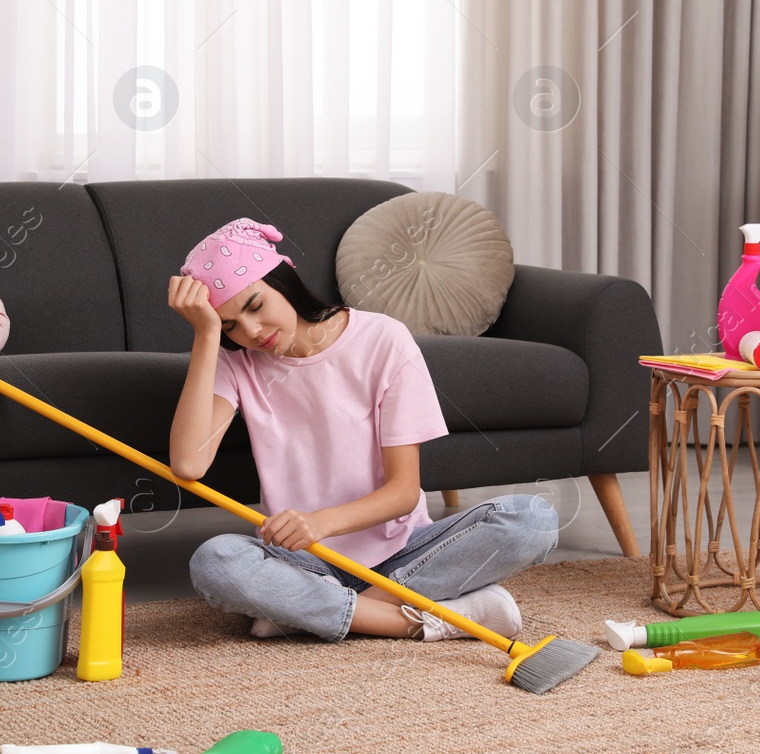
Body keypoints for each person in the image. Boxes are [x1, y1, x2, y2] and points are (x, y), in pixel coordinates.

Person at [167, 216, 558, 643]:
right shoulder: (235, 362)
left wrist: (321, 523)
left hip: (403, 552)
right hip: (302, 560)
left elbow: (403, 492)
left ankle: (305, 609)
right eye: (230, 326)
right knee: (215, 561)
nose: (252, 332)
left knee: (532, 519)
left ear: (284, 278)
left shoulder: (383, 339)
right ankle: (417, 620)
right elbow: (189, 463)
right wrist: (206, 336)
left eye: (256, 306)